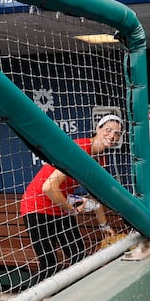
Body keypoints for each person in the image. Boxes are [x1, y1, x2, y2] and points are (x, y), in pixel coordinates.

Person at [20, 114, 121, 278]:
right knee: (50, 264)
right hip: (36, 207)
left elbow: (96, 196)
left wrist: (104, 226)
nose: (112, 136)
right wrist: (71, 209)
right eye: (108, 130)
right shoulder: (80, 149)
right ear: (97, 129)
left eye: (117, 133)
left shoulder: (100, 160)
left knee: (79, 257)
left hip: (60, 208)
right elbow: (48, 187)